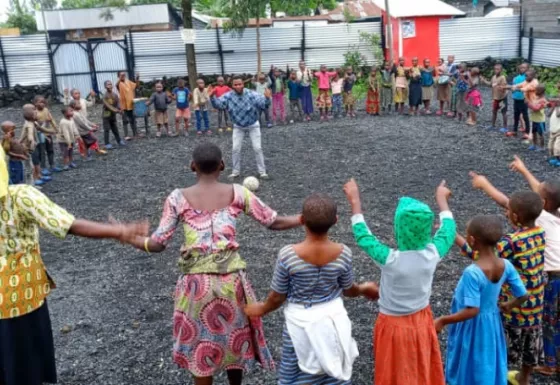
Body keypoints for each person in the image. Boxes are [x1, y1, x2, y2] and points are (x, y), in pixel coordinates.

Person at [125, 142, 301, 385]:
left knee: (199, 347)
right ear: (222, 165)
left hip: (195, 286)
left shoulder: (177, 198)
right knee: (234, 339)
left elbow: (158, 243)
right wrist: (303, 218)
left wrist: (132, 239)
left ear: (192, 166)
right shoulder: (238, 192)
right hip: (231, 282)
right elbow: (273, 222)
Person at [0, 144, 148, 385]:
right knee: (25, 363)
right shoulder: (20, 197)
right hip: (20, 296)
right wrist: (119, 231)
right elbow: (68, 224)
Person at [244, 193, 379, 385]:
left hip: (299, 323)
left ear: (301, 220)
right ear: (335, 221)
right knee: (334, 370)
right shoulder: (343, 253)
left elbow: (277, 296)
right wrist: (364, 288)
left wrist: (262, 308)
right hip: (332, 320)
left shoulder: (287, 255)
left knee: (295, 370)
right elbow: (348, 290)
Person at [343, 178, 456, 385]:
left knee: (394, 368)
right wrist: (442, 199)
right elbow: (448, 230)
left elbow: (363, 236)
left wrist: (355, 201)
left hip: (393, 325)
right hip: (422, 320)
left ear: (398, 228)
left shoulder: (390, 260)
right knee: (420, 364)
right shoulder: (432, 254)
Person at [468, 172, 545, 385]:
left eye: (508, 211)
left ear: (515, 217)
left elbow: (481, 255)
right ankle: (524, 378)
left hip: (514, 306)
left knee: (504, 344)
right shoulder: (540, 232)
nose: (506, 211)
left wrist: (457, 238)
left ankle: (497, 376)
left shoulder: (511, 242)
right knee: (531, 343)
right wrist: (485, 185)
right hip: (536, 304)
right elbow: (511, 204)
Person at [436, 215, 528, 385]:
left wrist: (443, 320)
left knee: (469, 356)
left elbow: (472, 310)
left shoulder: (472, 272)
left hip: (471, 325)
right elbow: (523, 295)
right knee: (487, 357)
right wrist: (509, 305)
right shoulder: (506, 265)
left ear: (471, 240)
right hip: (492, 322)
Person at [510, 155, 560, 377]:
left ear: (544, 205)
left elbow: (511, 204)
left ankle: (550, 364)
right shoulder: (556, 214)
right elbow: (542, 194)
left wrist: (485, 186)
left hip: (552, 280)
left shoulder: (542, 220)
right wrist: (523, 169)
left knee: (547, 321)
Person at [210, 76, 272, 179]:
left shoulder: (251, 94)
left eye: (240, 84)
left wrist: (267, 98)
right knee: (235, 149)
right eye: (235, 84)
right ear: (232, 86)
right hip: (238, 126)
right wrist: (212, 97)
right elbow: (219, 105)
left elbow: (263, 105)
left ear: (243, 84)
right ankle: (235, 171)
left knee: (257, 148)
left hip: (253, 124)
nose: (238, 86)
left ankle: (262, 172)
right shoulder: (228, 96)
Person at [19, 104, 53, 188]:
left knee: (35, 162)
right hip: (29, 148)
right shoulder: (29, 124)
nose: (36, 113)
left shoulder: (32, 122)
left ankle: (36, 179)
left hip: (33, 146)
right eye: (34, 111)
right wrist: (32, 141)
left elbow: (39, 130)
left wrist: (49, 133)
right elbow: (30, 135)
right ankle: (33, 182)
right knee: (31, 166)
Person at [34, 95, 61, 174]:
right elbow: (37, 126)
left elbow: (51, 120)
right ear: (35, 103)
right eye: (40, 102)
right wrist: (45, 121)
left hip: (48, 133)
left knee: (50, 150)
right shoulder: (35, 113)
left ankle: (52, 165)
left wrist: (56, 129)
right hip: (40, 135)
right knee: (42, 152)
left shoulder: (46, 110)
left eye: (44, 102)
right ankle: (43, 168)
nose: (43, 104)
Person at [481, 64, 508, 132]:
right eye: (495, 69)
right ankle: (492, 125)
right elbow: (490, 84)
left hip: (502, 98)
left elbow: (504, 88)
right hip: (496, 98)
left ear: (501, 70)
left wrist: (500, 87)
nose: (496, 70)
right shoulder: (494, 77)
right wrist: (484, 80)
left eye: (498, 69)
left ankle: (505, 127)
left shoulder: (502, 77)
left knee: (503, 112)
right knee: (494, 111)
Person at [115, 71, 140, 140]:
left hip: (130, 104)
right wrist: (120, 78)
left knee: (133, 119)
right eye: (121, 75)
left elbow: (136, 86)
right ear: (118, 76)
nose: (123, 76)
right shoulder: (119, 83)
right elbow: (116, 85)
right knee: (125, 120)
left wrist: (137, 78)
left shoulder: (128, 81)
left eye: (124, 74)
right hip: (123, 105)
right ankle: (126, 135)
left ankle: (135, 134)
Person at [509, 63, 531, 138]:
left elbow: (527, 88)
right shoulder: (515, 78)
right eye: (521, 67)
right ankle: (515, 131)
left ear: (527, 69)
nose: (522, 69)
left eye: (524, 68)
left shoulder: (527, 78)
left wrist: (516, 89)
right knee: (516, 115)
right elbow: (513, 87)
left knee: (525, 116)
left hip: (523, 100)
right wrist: (512, 89)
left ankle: (527, 132)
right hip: (516, 99)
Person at [102, 80, 125, 149]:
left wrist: (120, 108)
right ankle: (107, 143)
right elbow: (108, 106)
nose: (109, 86)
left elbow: (118, 102)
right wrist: (117, 111)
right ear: (105, 87)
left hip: (113, 115)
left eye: (110, 84)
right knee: (106, 129)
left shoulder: (115, 94)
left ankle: (119, 140)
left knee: (115, 128)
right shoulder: (104, 96)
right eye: (107, 84)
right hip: (106, 114)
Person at [58, 106, 80, 171]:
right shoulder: (63, 122)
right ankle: (65, 164)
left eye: (72, 111)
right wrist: (69, 143)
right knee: (65, 153)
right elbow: (65, 133)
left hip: (70, 140)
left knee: (70, 152)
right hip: (64, 141)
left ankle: (71, 162)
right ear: (65, 113)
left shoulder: (71, 119)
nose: (72, 112)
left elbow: (74, 128)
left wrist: (77, 136)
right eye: (70, 111)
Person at [526, 84, 547, 151]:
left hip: (540, 120)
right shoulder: (536, 98)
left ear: (541, 91)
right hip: (534, 119)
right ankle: (534, 145)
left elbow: (536, 108)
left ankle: (542, 146)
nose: (535, 91)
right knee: (534, 133)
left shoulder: (543, 100)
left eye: (537, 90)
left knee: (541, 134)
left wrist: (528, 103)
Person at [548, 87, 560, 166]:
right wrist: (553, 106)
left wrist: (556, 106)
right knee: (550, 145)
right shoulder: (556, 107)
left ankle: (558, 159)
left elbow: (558, 114)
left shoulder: (558, 108)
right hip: (553, 129)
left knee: (557, 146)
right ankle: (554, 158)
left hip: (559, 130)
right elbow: (548, 114)